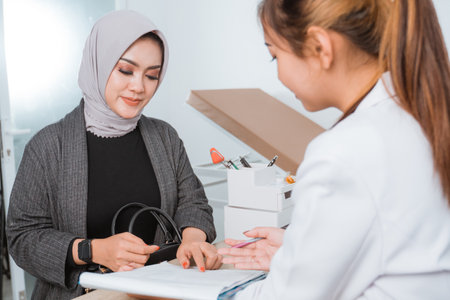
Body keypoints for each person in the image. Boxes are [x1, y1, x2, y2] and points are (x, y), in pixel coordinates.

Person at [218, 0, 450, 299]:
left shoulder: (346, 151)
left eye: (274, 55)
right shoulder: (421, 117)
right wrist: (301, 248)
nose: (278, 74)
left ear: (320, 47)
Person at [6, 10, 220, 300]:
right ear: (99, 64)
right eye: (125, 70)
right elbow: (22, 239)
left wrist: (194, 240)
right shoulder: (47, 147)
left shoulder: (164, 137)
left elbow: (193, 202)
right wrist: (94, 249)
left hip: (156, 292)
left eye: (152, 75)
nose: (139, 87)